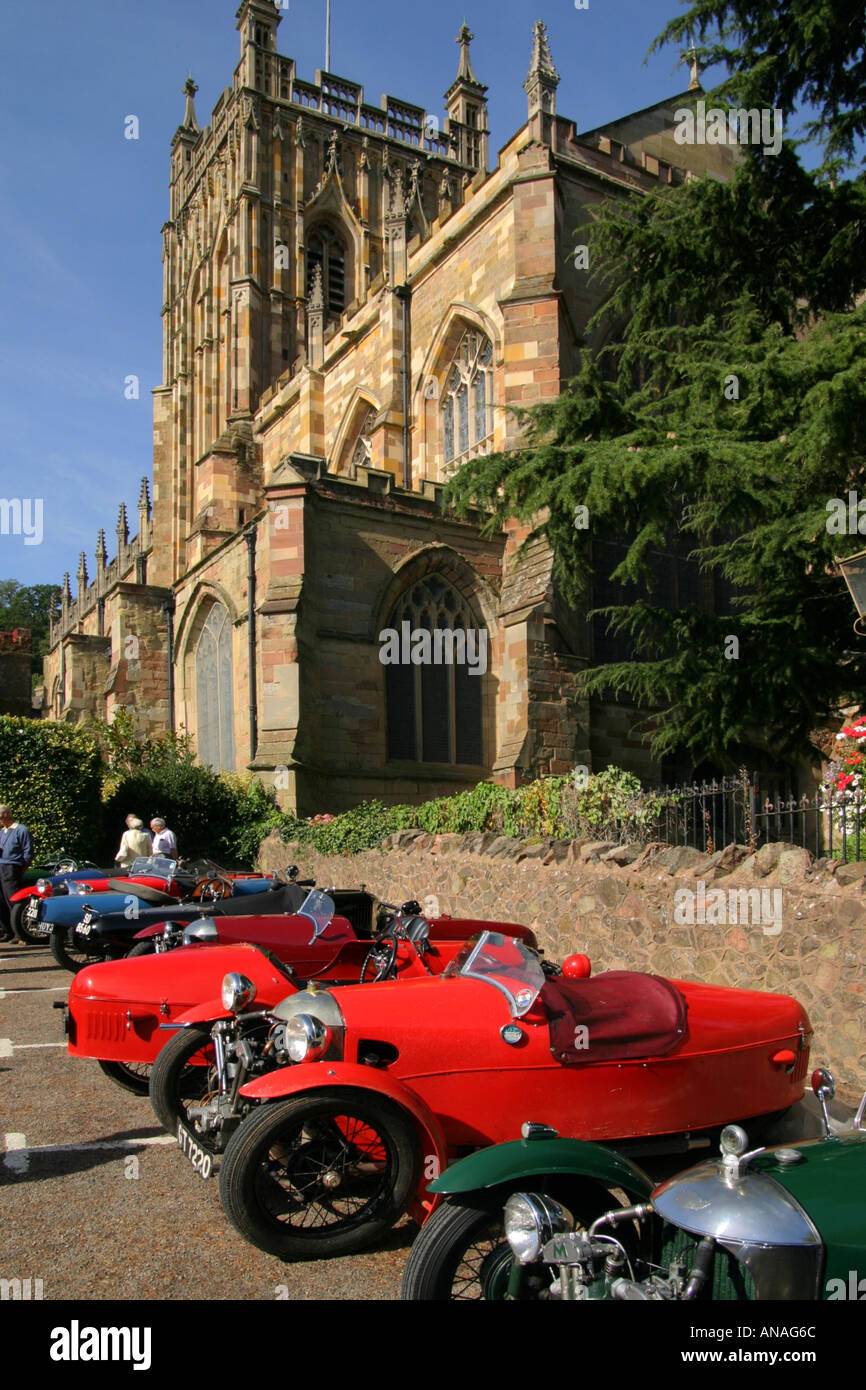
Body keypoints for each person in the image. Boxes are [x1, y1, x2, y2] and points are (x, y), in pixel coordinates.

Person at [0, 806, 34, 942]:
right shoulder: (2, 832)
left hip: (12, 867)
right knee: (1, 901)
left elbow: (28, 851)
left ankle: (20, 933)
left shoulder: (22, 830)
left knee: (13, 901)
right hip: (0, 865)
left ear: (6, 814)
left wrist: (22, 867)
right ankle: (5, 930)